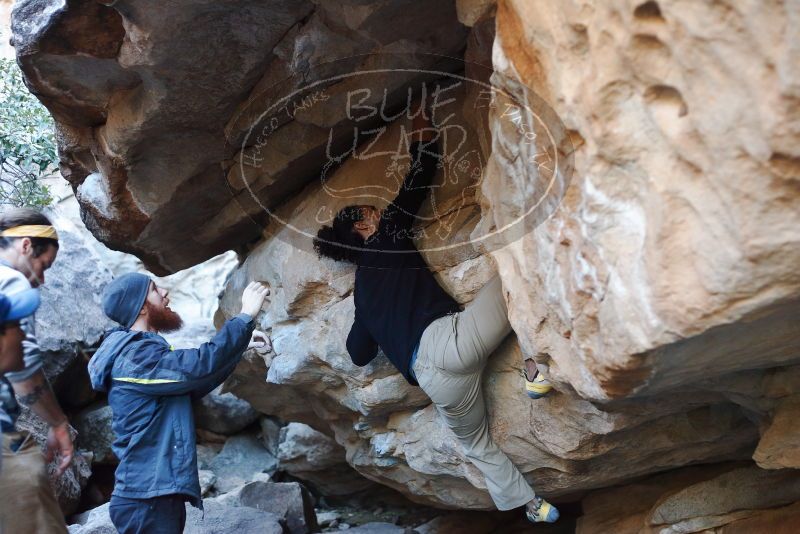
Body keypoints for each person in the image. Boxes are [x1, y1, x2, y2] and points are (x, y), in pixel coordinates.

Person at [313, 110, 559, 524]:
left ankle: (534, 506)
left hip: (434, 382)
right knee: (515, 278)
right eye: (371, 211)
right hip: (451, 341)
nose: (378, 212)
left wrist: (376, 322)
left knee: (478, 444)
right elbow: (418, 180)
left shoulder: (363, 298)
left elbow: (357, 354)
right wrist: (423, 133)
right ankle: (533, 370)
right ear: (363, 226)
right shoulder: (387, 236)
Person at [90, 272, 270, 534]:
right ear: (140, 307)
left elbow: (192, 382)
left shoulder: (141, 353)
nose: (164, 292)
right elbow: (195, 367)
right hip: (146, 498)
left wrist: (239, 346)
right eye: (154, 290)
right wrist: (244, 318)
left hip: (152, 496)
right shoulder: (134, 356)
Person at [0, 208, 73, 534]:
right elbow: (22, 370)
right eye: (44, 267)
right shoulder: (12, 284)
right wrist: (58, 422)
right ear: (26, 245)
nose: (40, 280)